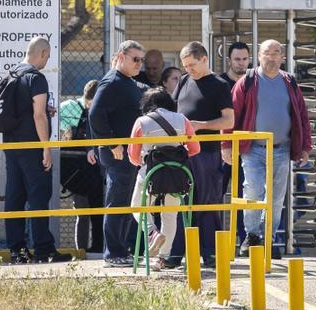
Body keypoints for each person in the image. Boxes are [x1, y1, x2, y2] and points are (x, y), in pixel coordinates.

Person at [231, 39, 312, 260]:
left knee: (276, 198)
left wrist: (305, 147)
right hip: (252, 148)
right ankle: (252, 235)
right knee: (253, 191)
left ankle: (269, 237)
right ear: (259, 55)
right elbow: (232, 115)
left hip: (282, 149)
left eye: (276, 53)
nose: (272, 57)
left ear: (283, 57)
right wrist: (226, 145)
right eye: (267, 52)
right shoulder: (247, 81)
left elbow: (302, 116)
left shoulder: (290, 82)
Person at [1, 36, 71, 264]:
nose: (46, 61)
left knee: (15, 196)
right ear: (42, 53)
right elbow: (38, 114)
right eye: (47, 56)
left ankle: (17, 251)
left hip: (12, 145)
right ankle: (44, 250)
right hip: (32, 147)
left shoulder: (12, 75)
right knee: (39, 196)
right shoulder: (35, 78)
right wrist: (46, 147)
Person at [169, 41, 234, 267]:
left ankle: (211, 254)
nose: (189, 69)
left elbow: (229, 120)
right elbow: (174, 108)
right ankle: (178, 254)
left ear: (205, 59)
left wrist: (201, 125)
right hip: (184, 153)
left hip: (207, 153)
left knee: (207, 202)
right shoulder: (185, 81)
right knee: (184, 203)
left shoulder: (219, 85)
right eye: (185, 65)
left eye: (193, 64)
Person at [128, 87, 200, 269]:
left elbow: (133, 156)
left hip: (151, 173)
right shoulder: (182, 120)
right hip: (177, 174)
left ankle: (152, 233)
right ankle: (161, 258)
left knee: (137, 206)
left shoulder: (141, 122)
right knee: (170, 215)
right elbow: (195, 149)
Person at [88, 39, 146, 267]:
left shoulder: (127, 81)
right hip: (118, 154)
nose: (139, 64)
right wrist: (113, 144)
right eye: (135, 59)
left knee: (125, 202)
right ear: (121, 57)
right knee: (117, 201)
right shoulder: (112, 81)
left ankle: (120, 250)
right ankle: (113, 253)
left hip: (128, 152)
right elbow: (95, 115)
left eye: (141, 60)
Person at [59, 79, 103, 254]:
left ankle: (98, 247)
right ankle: (81, 250)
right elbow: (61, 134)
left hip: (95, 168)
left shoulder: (100, 111)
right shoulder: (70, 108)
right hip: (75, 168)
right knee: (82, 212)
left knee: (98, 211)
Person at [218, 41, 250, 225]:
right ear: (229, 60)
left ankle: (245, 238)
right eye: (237, 59)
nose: (241, 63)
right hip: (222, 148)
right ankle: (211, 244)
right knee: (214, 194)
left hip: (246, 148)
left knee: (244, 196)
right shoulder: (220, 83)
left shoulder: (253, 84)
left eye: (245, 59)